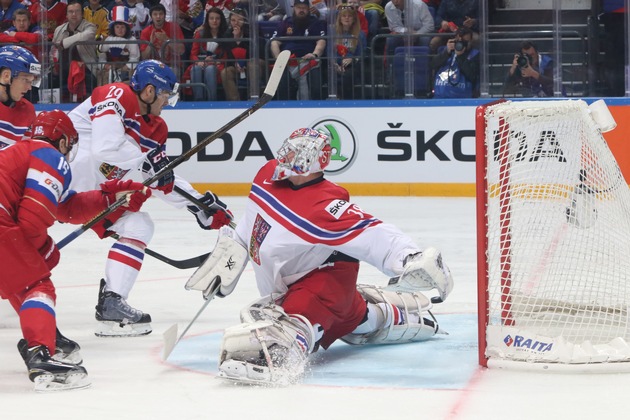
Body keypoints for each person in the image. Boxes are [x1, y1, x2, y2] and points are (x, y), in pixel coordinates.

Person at [186, 127, 454, 385]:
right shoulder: (266, 173)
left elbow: (374, 233)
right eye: (288, 150)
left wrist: (410, 257)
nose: (288, 158)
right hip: (301, 286)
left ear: (316, 162)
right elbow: (252, 221)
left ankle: (312, 333)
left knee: (285, 331)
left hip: (322, 288)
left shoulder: (325, 205)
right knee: (357, 318)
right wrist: (230, 258)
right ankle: (387, 314)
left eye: (298, 154)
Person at [67, 59, 233, 337]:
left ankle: (112, 302)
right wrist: (150, 165)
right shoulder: (116, 94)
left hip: (87, 193)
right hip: (54, 179)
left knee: (139, 225)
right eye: (165, 94)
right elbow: (105, 148)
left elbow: (157, 177)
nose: (167, 102)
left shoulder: (157, 128)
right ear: (148, 91)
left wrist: (198, 204)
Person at [0, 110, 151, 391]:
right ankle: (40, 352)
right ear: (61, 140)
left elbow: (66, 207)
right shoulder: (48, 155)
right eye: (69, 144)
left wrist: (111, 197)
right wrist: (43, 252)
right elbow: (32, 222)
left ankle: (44, 335)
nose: (68, 152)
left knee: (21, 280)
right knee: (36, 284)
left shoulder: (19, 153)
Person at [271, 0, 326, 100]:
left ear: (308, 9)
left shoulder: (315, 22)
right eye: (299, 7)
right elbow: (274, 42)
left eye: (304, 8)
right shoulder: (286, 22)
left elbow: (321, 41)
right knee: (282, 86)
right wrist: (279, 58)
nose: (301, 10)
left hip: (309, 61)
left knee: (315, 87)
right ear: (294, 8)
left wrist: (315, 54)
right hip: (288, 61)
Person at [51, 0, 98, 102]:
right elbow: (53, 50)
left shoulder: (90, 27)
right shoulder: (59, 29)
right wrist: (53, 66)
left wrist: (64, 43)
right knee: (47, 80)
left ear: (82, 14)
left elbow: (84, 35)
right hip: (63, 71)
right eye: (71, 11)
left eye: (77, 11)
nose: (74, 14)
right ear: (66, 15)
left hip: (86, 71)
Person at [183, 6, 227, 101]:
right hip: (202, 62)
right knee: (196, 69)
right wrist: (199, 62)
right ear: (207, 20)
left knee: (210, 69)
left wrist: (216, 62)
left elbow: (227, 55)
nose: (214, 21)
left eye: (217, 18)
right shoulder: (200, 34)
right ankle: (199, 100)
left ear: (221, 20)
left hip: (218, 64)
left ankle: (212, 100)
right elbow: (193, 54)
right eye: (211, 18)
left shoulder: (225, 34)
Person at [0, 45, 40, 148]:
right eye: (25, 80)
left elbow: (26, 154)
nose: (29, 87)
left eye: (31, 81)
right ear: (6, 76)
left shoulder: (28, 110)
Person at [0, 9, 44, 103]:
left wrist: (16, 35)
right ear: (14, 23)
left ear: (29, 22)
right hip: (18, 70)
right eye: (19, 21)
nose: (21, 23)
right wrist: (21, 42)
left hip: (34, 68)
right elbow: (1, 37)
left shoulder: (35, 29)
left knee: (32, 92)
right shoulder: (9, 31)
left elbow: (35, 38)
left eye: (24, 20)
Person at [431, 27, 479, 98]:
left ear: (471, 41)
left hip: (463, 98)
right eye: (459, 41)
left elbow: (472, 75)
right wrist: (446, 53)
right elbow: (433, 65)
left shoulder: (475, 54)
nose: (462, 44)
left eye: (465, 42)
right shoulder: (446, 52)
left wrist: (460, 56)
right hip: (440, 97)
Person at [97, 5, 140, 85]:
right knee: (102, 73)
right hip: (110, 68)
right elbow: (102, 55)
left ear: (127, 28)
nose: (120, 30)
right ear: (113, 28)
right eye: (117, 27)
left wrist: (124, 68)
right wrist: (105, 65)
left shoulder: (132, 40)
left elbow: (134, 58)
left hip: (126, 69)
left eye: (123, 27)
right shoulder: (108, 39)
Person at [139, 3, 185, 75]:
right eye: (155, 14)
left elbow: (181, 50)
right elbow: (144, 57)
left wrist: (166, 39)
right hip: (152, 67)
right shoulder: (145, 31)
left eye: (161, 14)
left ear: (165, 15)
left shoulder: (174, 27)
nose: (158, 17)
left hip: (172, 65)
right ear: (151, 16)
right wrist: (150, 43)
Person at [333, 4, 366, 99]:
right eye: (344, 16)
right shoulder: (333, 33)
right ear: (339, 19)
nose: (347, 18)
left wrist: (352, 59)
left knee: (347, 76)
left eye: (350, 16)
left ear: (354, 19)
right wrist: (335, 65)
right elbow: (329, 52)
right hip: (335, 65)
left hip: (352, 66)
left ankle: (345, 102)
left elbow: (362, 53)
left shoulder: (360, 34)